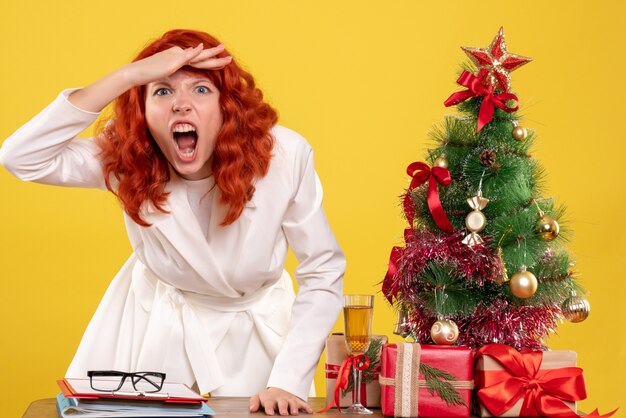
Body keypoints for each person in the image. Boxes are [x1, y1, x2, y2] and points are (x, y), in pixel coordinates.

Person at [0, 29, 345, 415]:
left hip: (258, 340)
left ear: (227, 108)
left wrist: (288, 378)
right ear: (143, 112)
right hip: (156, 328)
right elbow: (20, 156)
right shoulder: (128, 157)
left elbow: (323, 268)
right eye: (162, 91)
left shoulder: (283, 156)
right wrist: (127, 76)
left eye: (200, 90)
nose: (181, 105)